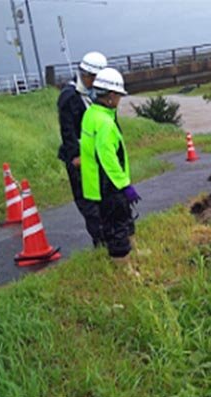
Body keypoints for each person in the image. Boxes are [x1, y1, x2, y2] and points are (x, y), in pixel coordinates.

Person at [80, 67, 140, 260]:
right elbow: (107, 158)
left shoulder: (91, 114)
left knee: (116, 223)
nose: (120, 100)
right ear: (111, 96)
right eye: (119, 96)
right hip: (109, 185)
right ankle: (124, 268)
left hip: (96, 184)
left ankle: (132, 253)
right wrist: (124, 185)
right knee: (117, 227)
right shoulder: (105, 123)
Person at [57, 51, 107, 247]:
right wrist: (75, 156)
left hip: (96, 156)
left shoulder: (94, 95)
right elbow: (67, 129)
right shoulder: (69, 96)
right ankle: (100, 241)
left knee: (103, 197)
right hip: (80, 158)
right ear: (87, 75)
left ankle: (108, 234)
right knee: (88, 202)